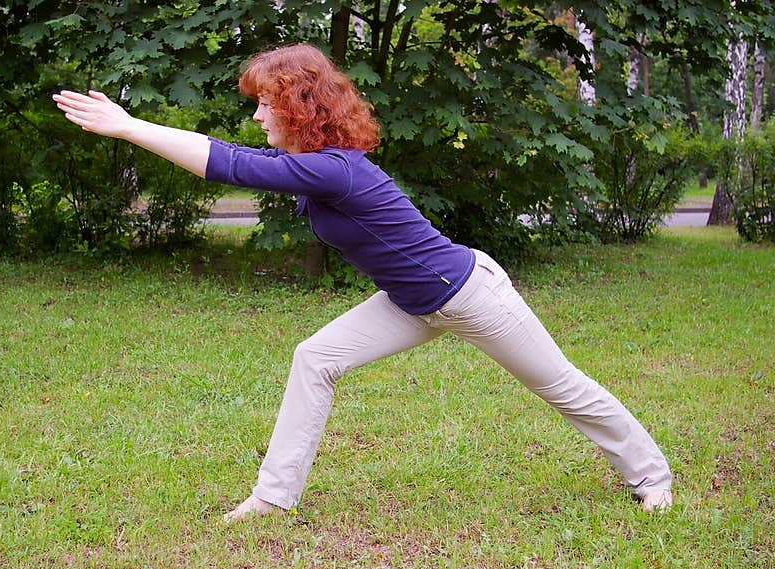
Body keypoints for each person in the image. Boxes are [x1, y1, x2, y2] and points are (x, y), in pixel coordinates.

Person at [52, 43, 673, 522]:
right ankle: (272, 498)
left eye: (266, 101)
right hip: (411, 303)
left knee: (561, 387)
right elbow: (227, 153)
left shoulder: (338, 172)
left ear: (300, 105)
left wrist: (129, 127)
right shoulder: (313, 166)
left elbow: (225, 163)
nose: (257, 112)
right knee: (315, 357)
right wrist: (134, 125)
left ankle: (651, 478)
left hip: (471, 296)